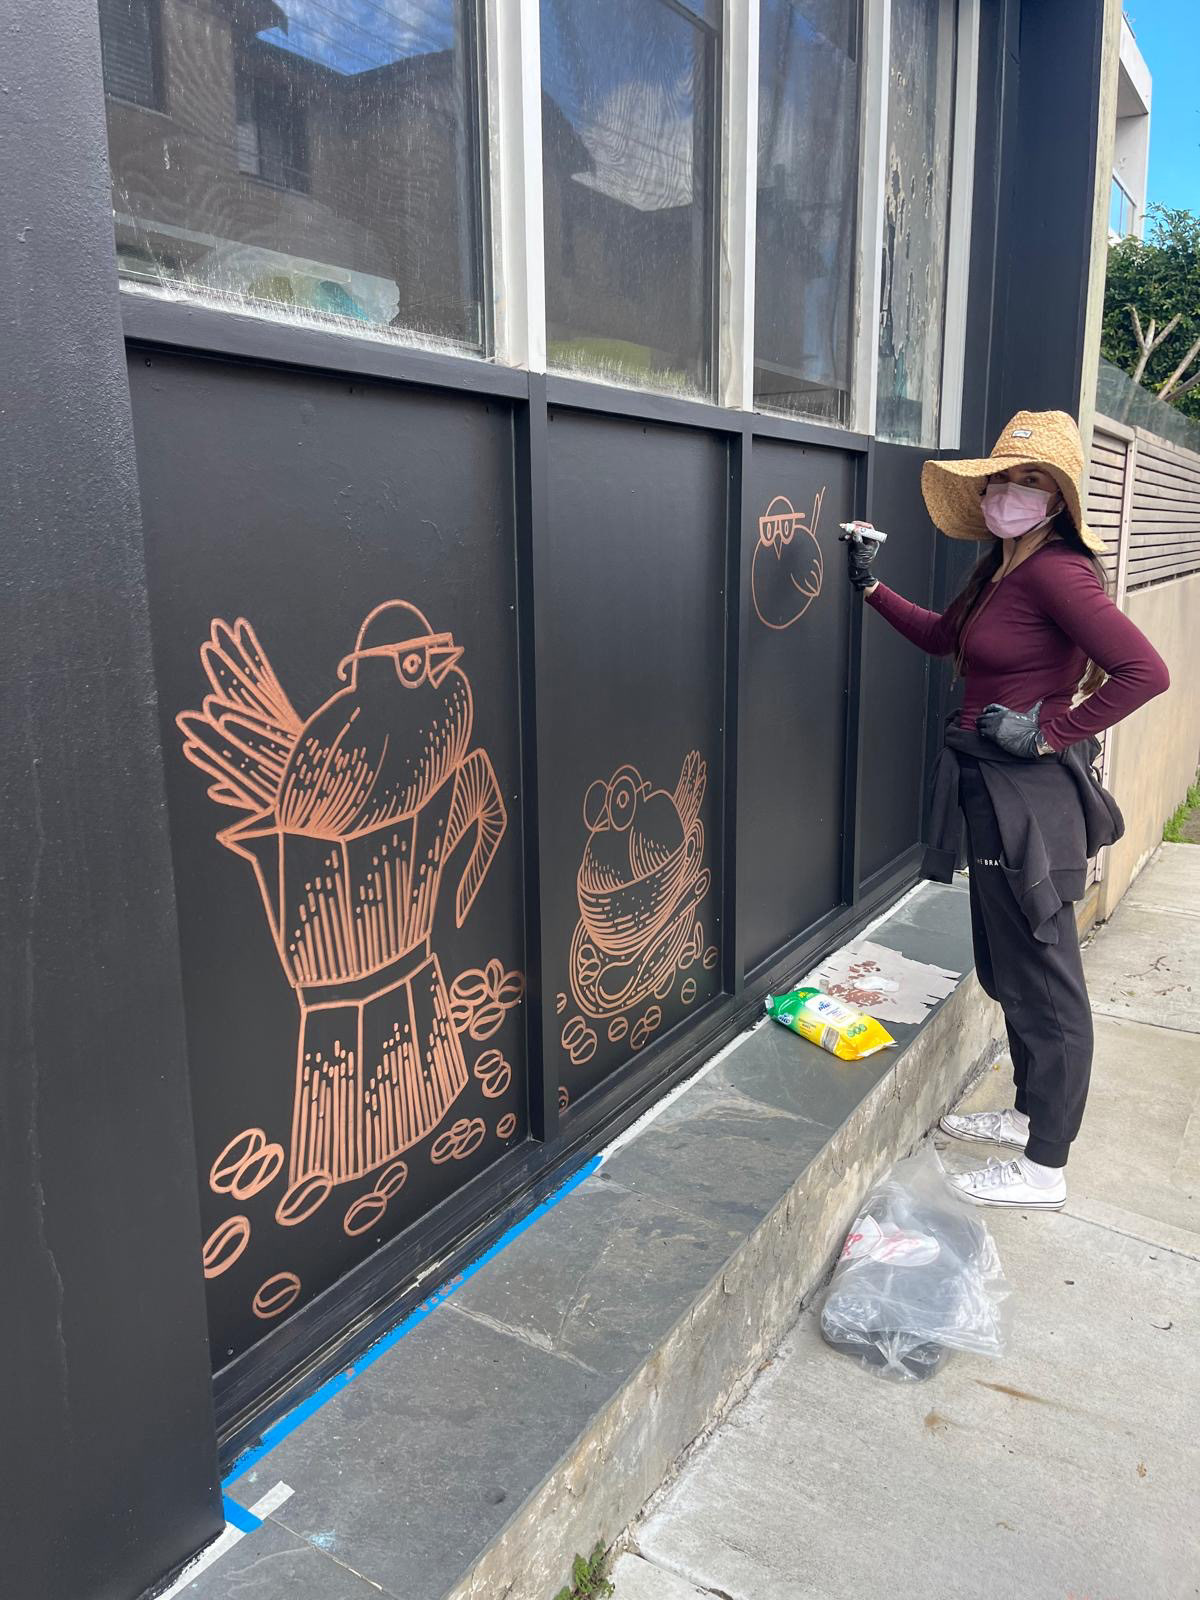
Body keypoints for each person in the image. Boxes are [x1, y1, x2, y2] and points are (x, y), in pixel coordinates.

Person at [843, 409, 1170, 1211]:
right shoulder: (1000, 572)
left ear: (1057, 499)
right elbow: (942, 639)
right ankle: (1028, 1115)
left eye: (1030, 481)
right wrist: (871, 587)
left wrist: (1049, 731)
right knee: (1007, 967)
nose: (1008, 494)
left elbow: (1145, 671)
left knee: (1046, 980)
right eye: (1002, 480)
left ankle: (1045, 1166)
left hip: (1030, 798)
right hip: (989, 786)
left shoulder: (1059, 572)